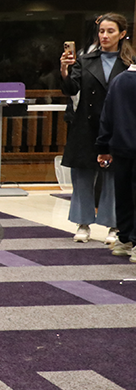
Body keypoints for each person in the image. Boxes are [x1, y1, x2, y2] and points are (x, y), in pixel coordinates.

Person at [60, 13, 133, 246]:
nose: (104, 36)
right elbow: (71, 88)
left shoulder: (130, 63)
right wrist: (64, 70)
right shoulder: (85, 60)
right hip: (86, 124)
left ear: (122, 34)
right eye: (101, 31)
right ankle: (82, 223)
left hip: (117, 124)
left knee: (114, 177)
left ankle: (114, 225)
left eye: (110, 31)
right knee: (82, 175)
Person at [96, 62, 136, 260]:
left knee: (124, 195)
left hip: (120, 146)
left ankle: (124, 239)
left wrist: (103, 147)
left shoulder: (118, 81)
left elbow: (107, 116)